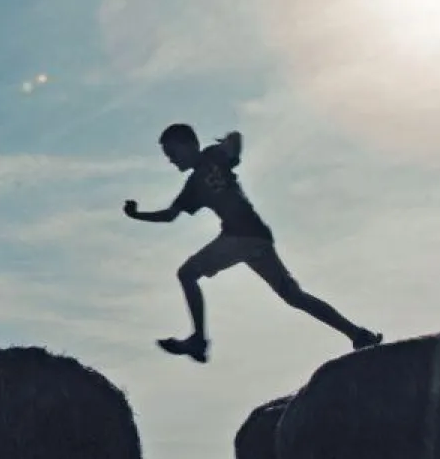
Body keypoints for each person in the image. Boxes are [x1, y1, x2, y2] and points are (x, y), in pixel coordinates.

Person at [123, 124, 383, 363]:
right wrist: (137, 215)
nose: (171, 159)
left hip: (241, 236)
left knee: (187, 273)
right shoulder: (192, 185)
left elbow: (235, 138)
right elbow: (170, 216)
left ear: (189, 144)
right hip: (255, 238)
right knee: (293, 296)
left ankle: (199, 341)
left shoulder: (213, 156)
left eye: (172, 152)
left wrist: (230, 146)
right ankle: (358, 334)